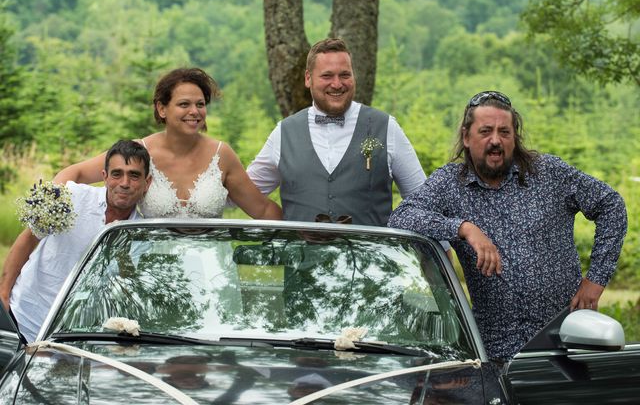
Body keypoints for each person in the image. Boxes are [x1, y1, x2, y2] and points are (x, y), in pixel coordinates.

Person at [388, 90, 627, 361]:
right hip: (494, 349)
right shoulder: (449, 184)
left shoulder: (548, 173)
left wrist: (596, 279)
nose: (495, 141)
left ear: (515, 137)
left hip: (565, 339)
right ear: (466, 137)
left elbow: (611, 205)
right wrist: (465, 228)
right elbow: (402, 217)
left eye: (504, 132)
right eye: (485, 131)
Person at [54, 67, 282, 220]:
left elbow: (262, 208)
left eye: (200, 104)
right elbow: (77, 173)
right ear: (161, 108)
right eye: (184, 104)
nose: (194, 112)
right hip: (153, 270)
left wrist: (308, 231)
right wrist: (49, 207)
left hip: (212, 271)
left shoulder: (222, 155)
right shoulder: (138, 152)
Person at [247, 38, 428, 228]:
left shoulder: (386, 127)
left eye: (344, 75)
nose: (337, 84)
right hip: (301, 256)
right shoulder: (283, 132)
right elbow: (245, 191)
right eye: (327, 76)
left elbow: (422, 202)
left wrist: (443, 252)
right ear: (308, 78)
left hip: (371, 256)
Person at [0, 140, 152, 342]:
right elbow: (28, 240)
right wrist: (3, 294)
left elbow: (127, 286)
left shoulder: (142, 233)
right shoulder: (71, 196)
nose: (124, 183)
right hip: (24, 317)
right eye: (117, 174)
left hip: (76, 337)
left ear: (146, 183)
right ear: (105, 177)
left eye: (134, 175)